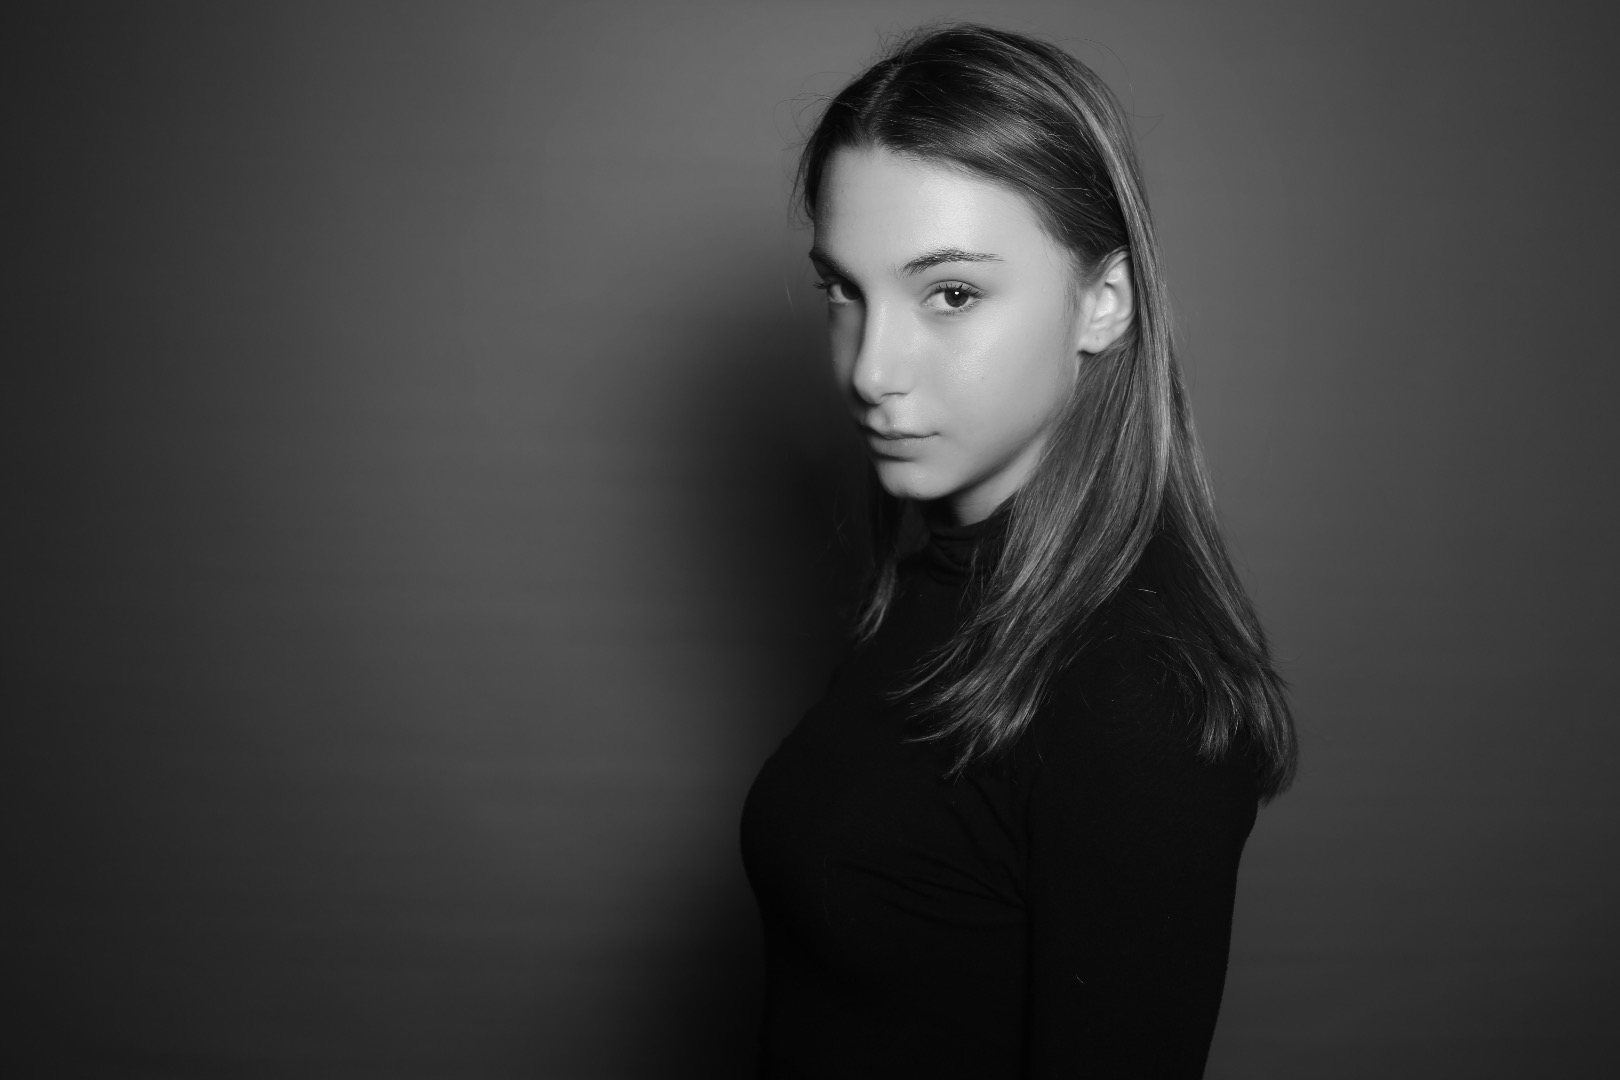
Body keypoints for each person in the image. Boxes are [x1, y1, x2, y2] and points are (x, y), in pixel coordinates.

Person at [739, 23, 1297, 1079]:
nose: (871, 370)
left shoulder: (1134, 697)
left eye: (950, 293)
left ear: (1103, 303)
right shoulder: (934, 585)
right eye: (843, 290)